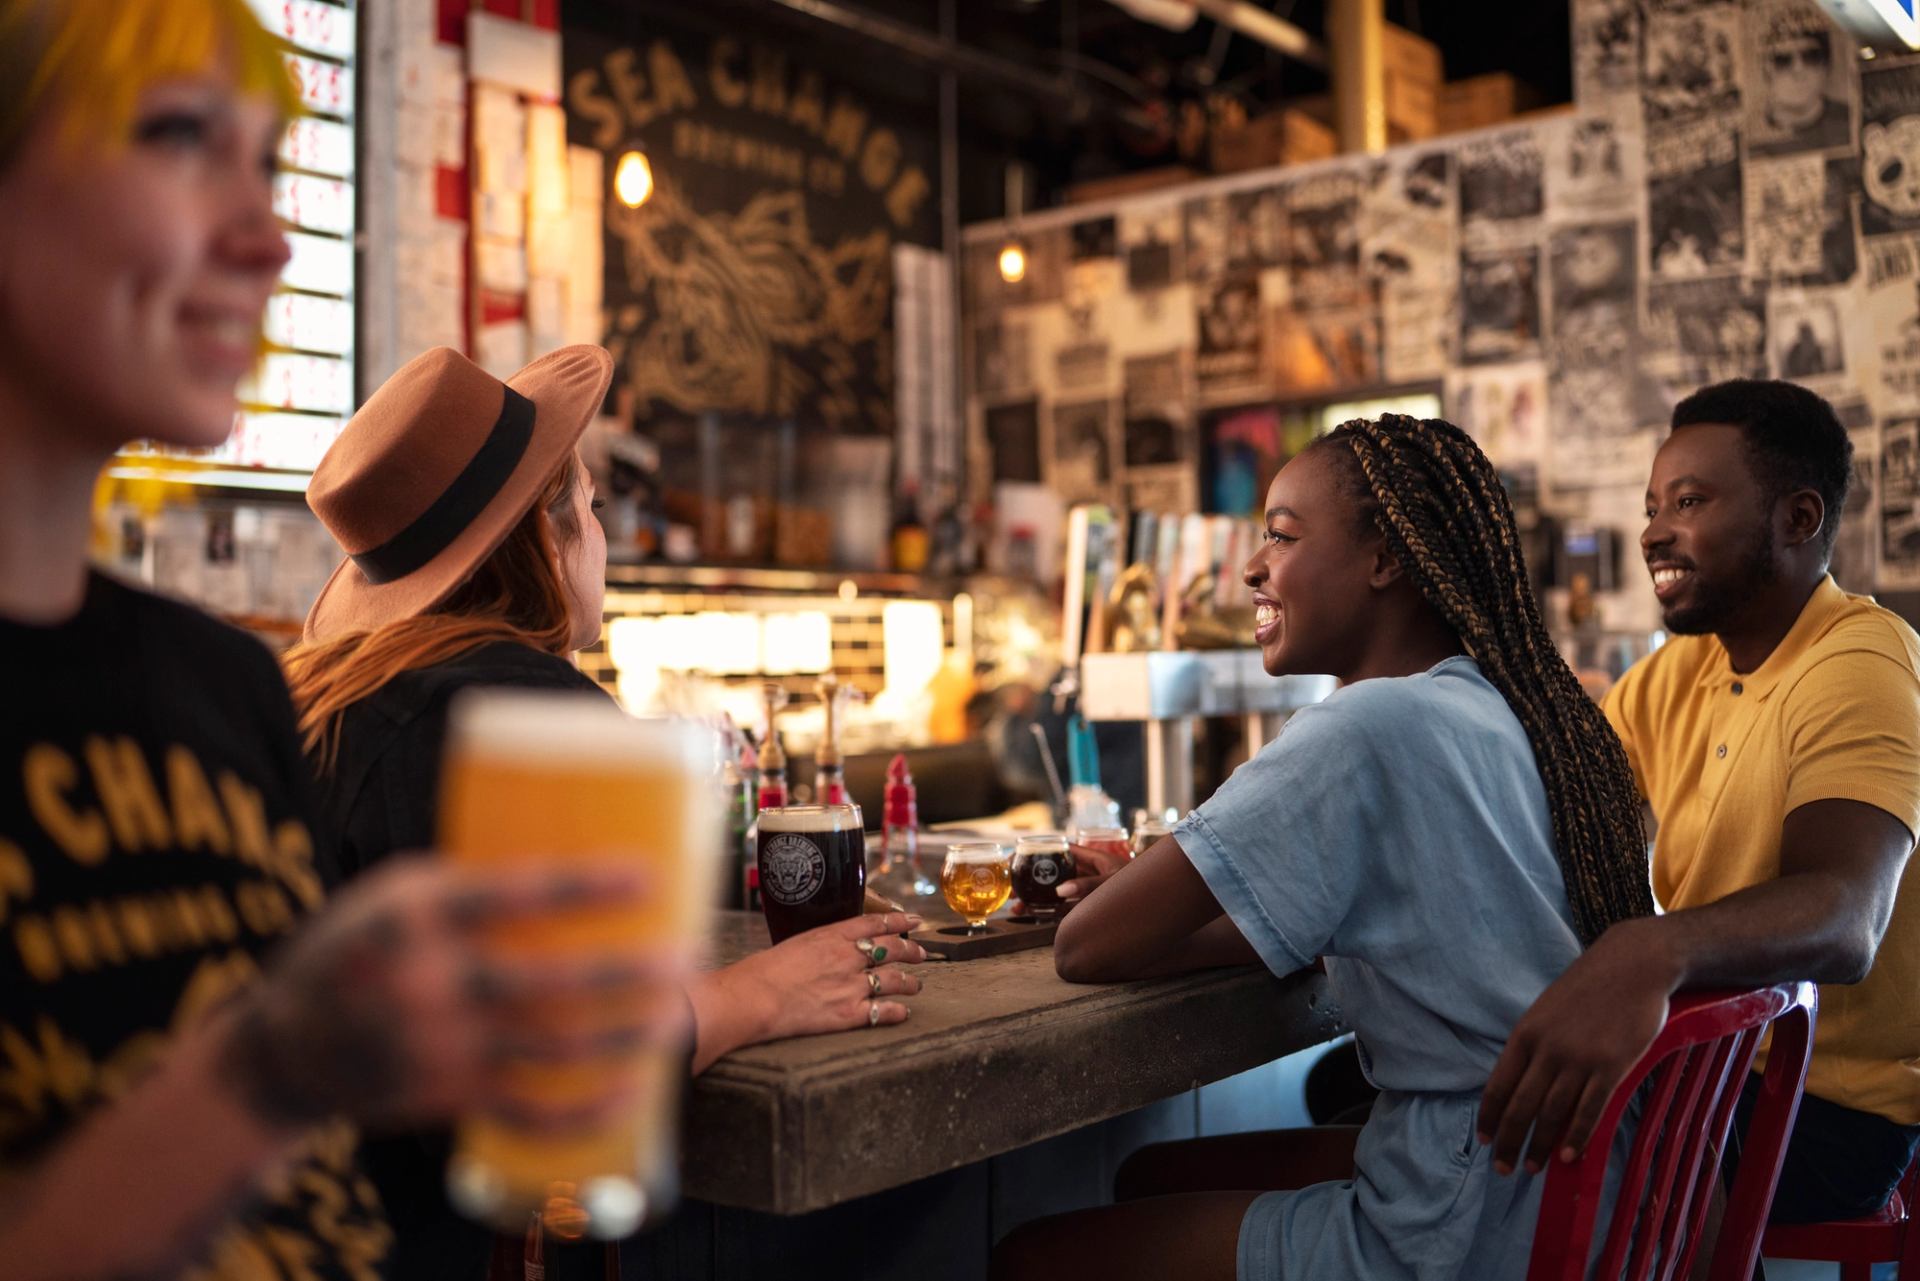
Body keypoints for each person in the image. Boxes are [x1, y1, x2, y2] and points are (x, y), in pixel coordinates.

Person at [0, 3, 686, 1278]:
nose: (268, 240)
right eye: (178, 140)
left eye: (268, 165)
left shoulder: (224, 689)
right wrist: (278, 1064)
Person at [279, 344, 928, 1279]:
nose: (603, 530)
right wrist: (759, 993)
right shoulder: (524, 711)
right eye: (590, 505)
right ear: (547, 541)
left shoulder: (331, 702)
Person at [993, 416, 1654, 1281]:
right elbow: (1395, 914)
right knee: (1151, 1177)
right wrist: (1190, 894)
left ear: (1385, 560)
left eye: (1281, 534)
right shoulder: (1511, 706)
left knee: (1034, 1257)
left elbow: (1086, 945)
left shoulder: (1364, 724)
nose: (1253, 566)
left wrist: (1151, 891)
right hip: (1586, 1193)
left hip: (1460, 1217)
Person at [1479, 380, 1920, 1223]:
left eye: (1689, 501)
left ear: (1797, 519)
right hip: (1706, 1063)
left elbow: (1846, 915)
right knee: (1386, 1095)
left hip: (1825, 1114)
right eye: (1653, 506)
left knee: (1469, 1156)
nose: (1652, 533)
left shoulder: (1862, 661)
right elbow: (1547, 799)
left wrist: (1651, 949)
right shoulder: (1682, 670)